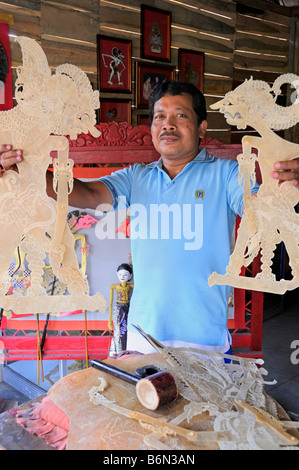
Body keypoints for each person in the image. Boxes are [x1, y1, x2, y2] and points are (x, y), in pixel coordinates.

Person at [1, 81, 299, 354]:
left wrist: (285, 189)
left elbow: (257, 209)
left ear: (201, 127)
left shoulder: (227, 174)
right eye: (159, 116)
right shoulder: (137, 177)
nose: (167, 125)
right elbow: (85, 194)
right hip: (145, 337)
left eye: (180, 116)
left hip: (205, 338)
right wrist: (25, 172)